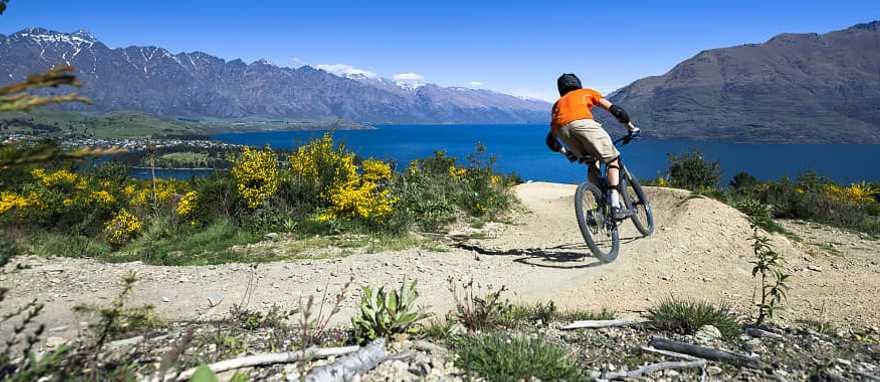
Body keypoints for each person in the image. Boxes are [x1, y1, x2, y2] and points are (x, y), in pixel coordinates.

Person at [545, 73, 640, 220]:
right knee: (612, 160)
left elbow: (551, 141)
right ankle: (615, 205)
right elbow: (616, 111)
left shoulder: (557, 105)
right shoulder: (586, 93)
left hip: (562, 131)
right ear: (578, 83)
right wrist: (631, 128)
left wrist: (566, 152)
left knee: (592, 163)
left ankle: (600, 206)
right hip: (584, 125)